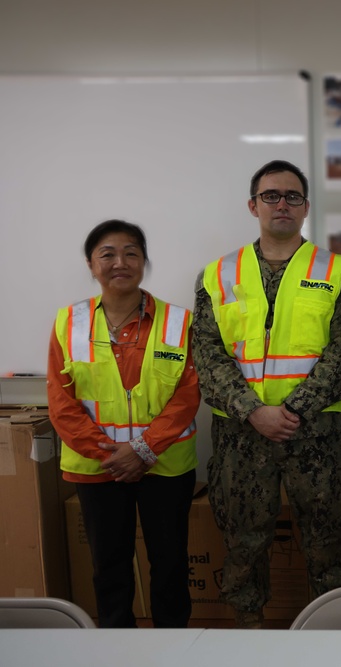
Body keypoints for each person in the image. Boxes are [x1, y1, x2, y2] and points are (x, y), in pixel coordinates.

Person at [191, 160, 341, 628]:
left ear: (306, 207)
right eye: (271, 196)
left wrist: (290, 411)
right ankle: (250, 636)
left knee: (328, 543)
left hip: (317, 436)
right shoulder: (216, 275)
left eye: (292, 196)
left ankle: (332, 639)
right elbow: (206, 356)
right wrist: (254, 411)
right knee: (243, 545)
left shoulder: (339, 273)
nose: (282, 204)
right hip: (239, 438)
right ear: (253, 205)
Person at [47, 220, 199, 628]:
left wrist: (143, 450)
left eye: (132, 252)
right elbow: (61, 403)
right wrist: (112, 456)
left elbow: (187, 395)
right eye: (108, 254)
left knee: (169, 564)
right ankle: (117, 646)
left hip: (165, 467)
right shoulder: (69, 322)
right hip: (99, 470)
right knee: (109, 567)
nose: (121, 262)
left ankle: (172, 646)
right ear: (91, 264)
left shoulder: (178, 322)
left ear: (144, 262)